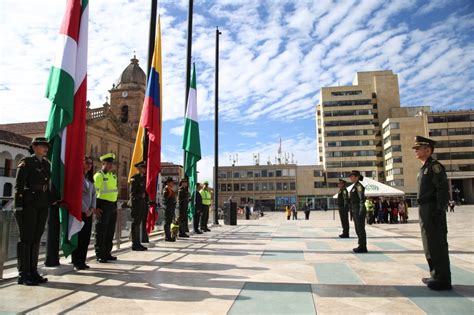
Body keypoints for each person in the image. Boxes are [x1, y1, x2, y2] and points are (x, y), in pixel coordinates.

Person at [14, 137, 60, 285]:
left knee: (36, 238)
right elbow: (19, 187)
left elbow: (47, 184)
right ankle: (23, 273)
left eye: (47, 146)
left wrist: (51, 200)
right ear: (34, 147)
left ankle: (33, 271)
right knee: (26, 239)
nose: (46, 148)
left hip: (42, 203)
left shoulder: (46, 164)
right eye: (42, 146)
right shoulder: (26, 163)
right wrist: (18, 206)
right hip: (29, 203)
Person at [413, 136, 451, 290]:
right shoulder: (424, 168)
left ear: (428, 150)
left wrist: (439, 210)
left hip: (432, 208)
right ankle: (435, 275)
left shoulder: (435, 166)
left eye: (418, 148)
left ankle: (443, 279)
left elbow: (442, 189)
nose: (415, 151)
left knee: (437, 244)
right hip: (425, 209)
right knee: (429, 243)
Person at [72, 156, 97, 269]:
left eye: (91, 164)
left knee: (86, 237)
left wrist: (92, 208)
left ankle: (82, 260)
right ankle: (76, 261)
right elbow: (76, 194)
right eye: (87, 162)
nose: (89, 165)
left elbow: (93, 194)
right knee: (79, 236)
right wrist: (85, 209)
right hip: (80, 211)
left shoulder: (90, 179)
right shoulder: (77, 177)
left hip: (89, 213)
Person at [94, 153, 119, 263]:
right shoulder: (99, 176)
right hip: (102, 204)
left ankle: (107, 252)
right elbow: (93, 193)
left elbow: (114, 191)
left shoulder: (113, 176)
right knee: (101, 231)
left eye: (111, 164)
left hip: (113, 205)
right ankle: (100, 254)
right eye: (108, 163)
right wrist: (95, 207)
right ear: (103, 163)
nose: (110, 166)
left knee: (110, 231)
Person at [129, 161, 148, 251]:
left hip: (142, 204)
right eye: (142, 167)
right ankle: (135, 244)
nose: (144, 169)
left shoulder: (143, 178)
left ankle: (138, 243)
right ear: (138, 168)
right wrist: (140, 195)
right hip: (136, 205)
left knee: (139, 223)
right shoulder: (134, 179)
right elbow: (132, 194)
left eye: (144, 167)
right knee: (135, 224)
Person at [349, 170, 367, 253]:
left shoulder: (359, 186)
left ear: (357, 177)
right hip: (355, 210)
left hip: (359, 210)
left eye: (352, 176)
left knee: (360, 228)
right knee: (357, 228)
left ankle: (363, 247)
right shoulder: (354, 186)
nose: (350, 177)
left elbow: (361, 199)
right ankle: (361, 245)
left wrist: (361, 210)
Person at [162, 177, 177, 242]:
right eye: (171, 182)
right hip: (168, 207)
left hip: (171, 207)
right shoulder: (166, 189)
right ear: (168, 182)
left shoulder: (170, 189)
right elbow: (165, 199)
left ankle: (169, 236)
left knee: (169, 222)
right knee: (167, 222)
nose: (172, 183)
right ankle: (167, 237)